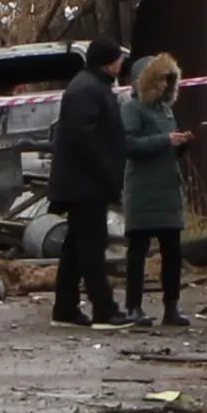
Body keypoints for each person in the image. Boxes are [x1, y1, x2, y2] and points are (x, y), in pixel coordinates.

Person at [47, 36, 129, 329]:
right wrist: (109, 172)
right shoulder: (88, 90)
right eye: (118, 58)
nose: (121, 63)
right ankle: (104, 309)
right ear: (108, 62)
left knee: (75, 245)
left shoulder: (91, 86)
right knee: (92, 246)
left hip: (81, 182)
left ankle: (65, 308)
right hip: (85, 184)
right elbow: (87, 139)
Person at [120, 53, 194, 327]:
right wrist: (165, 140)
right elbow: (128, 145)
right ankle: (133, 307)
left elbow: (166, 144)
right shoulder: (132, 109)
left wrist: (181, 144)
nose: (164, 85)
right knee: (138, 251)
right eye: (160, 80)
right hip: (142, 189)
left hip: (167, 189)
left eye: (168, 80)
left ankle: (171, 307)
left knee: (172, 251)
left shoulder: (165, 109)